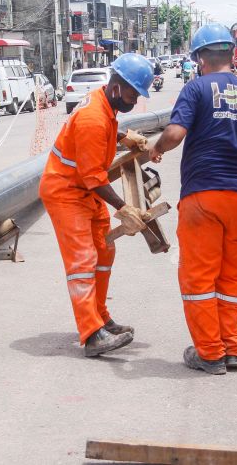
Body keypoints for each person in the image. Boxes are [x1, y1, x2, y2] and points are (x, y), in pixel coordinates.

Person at [149, 25, 237, 375]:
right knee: (232, 279)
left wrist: (156, 148)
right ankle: (233, 348)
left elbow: (175, 133)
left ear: (200, 58)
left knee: (199, 279)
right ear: (232, 55)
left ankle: (209, 353)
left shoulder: (196, 88)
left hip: (202, 195)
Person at [39, 53, 154, 357]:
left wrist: (124, 137)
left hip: (84, 191)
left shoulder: (105, 105)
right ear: (116, 86)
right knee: (83, 260)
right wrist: (123, 208)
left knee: (104, 250)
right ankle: (92, 335)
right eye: (132, 94)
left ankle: (101, 317)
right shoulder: (92, 117)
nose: (134, 101)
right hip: (66, 192)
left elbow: (104, 133)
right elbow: (93, 176)